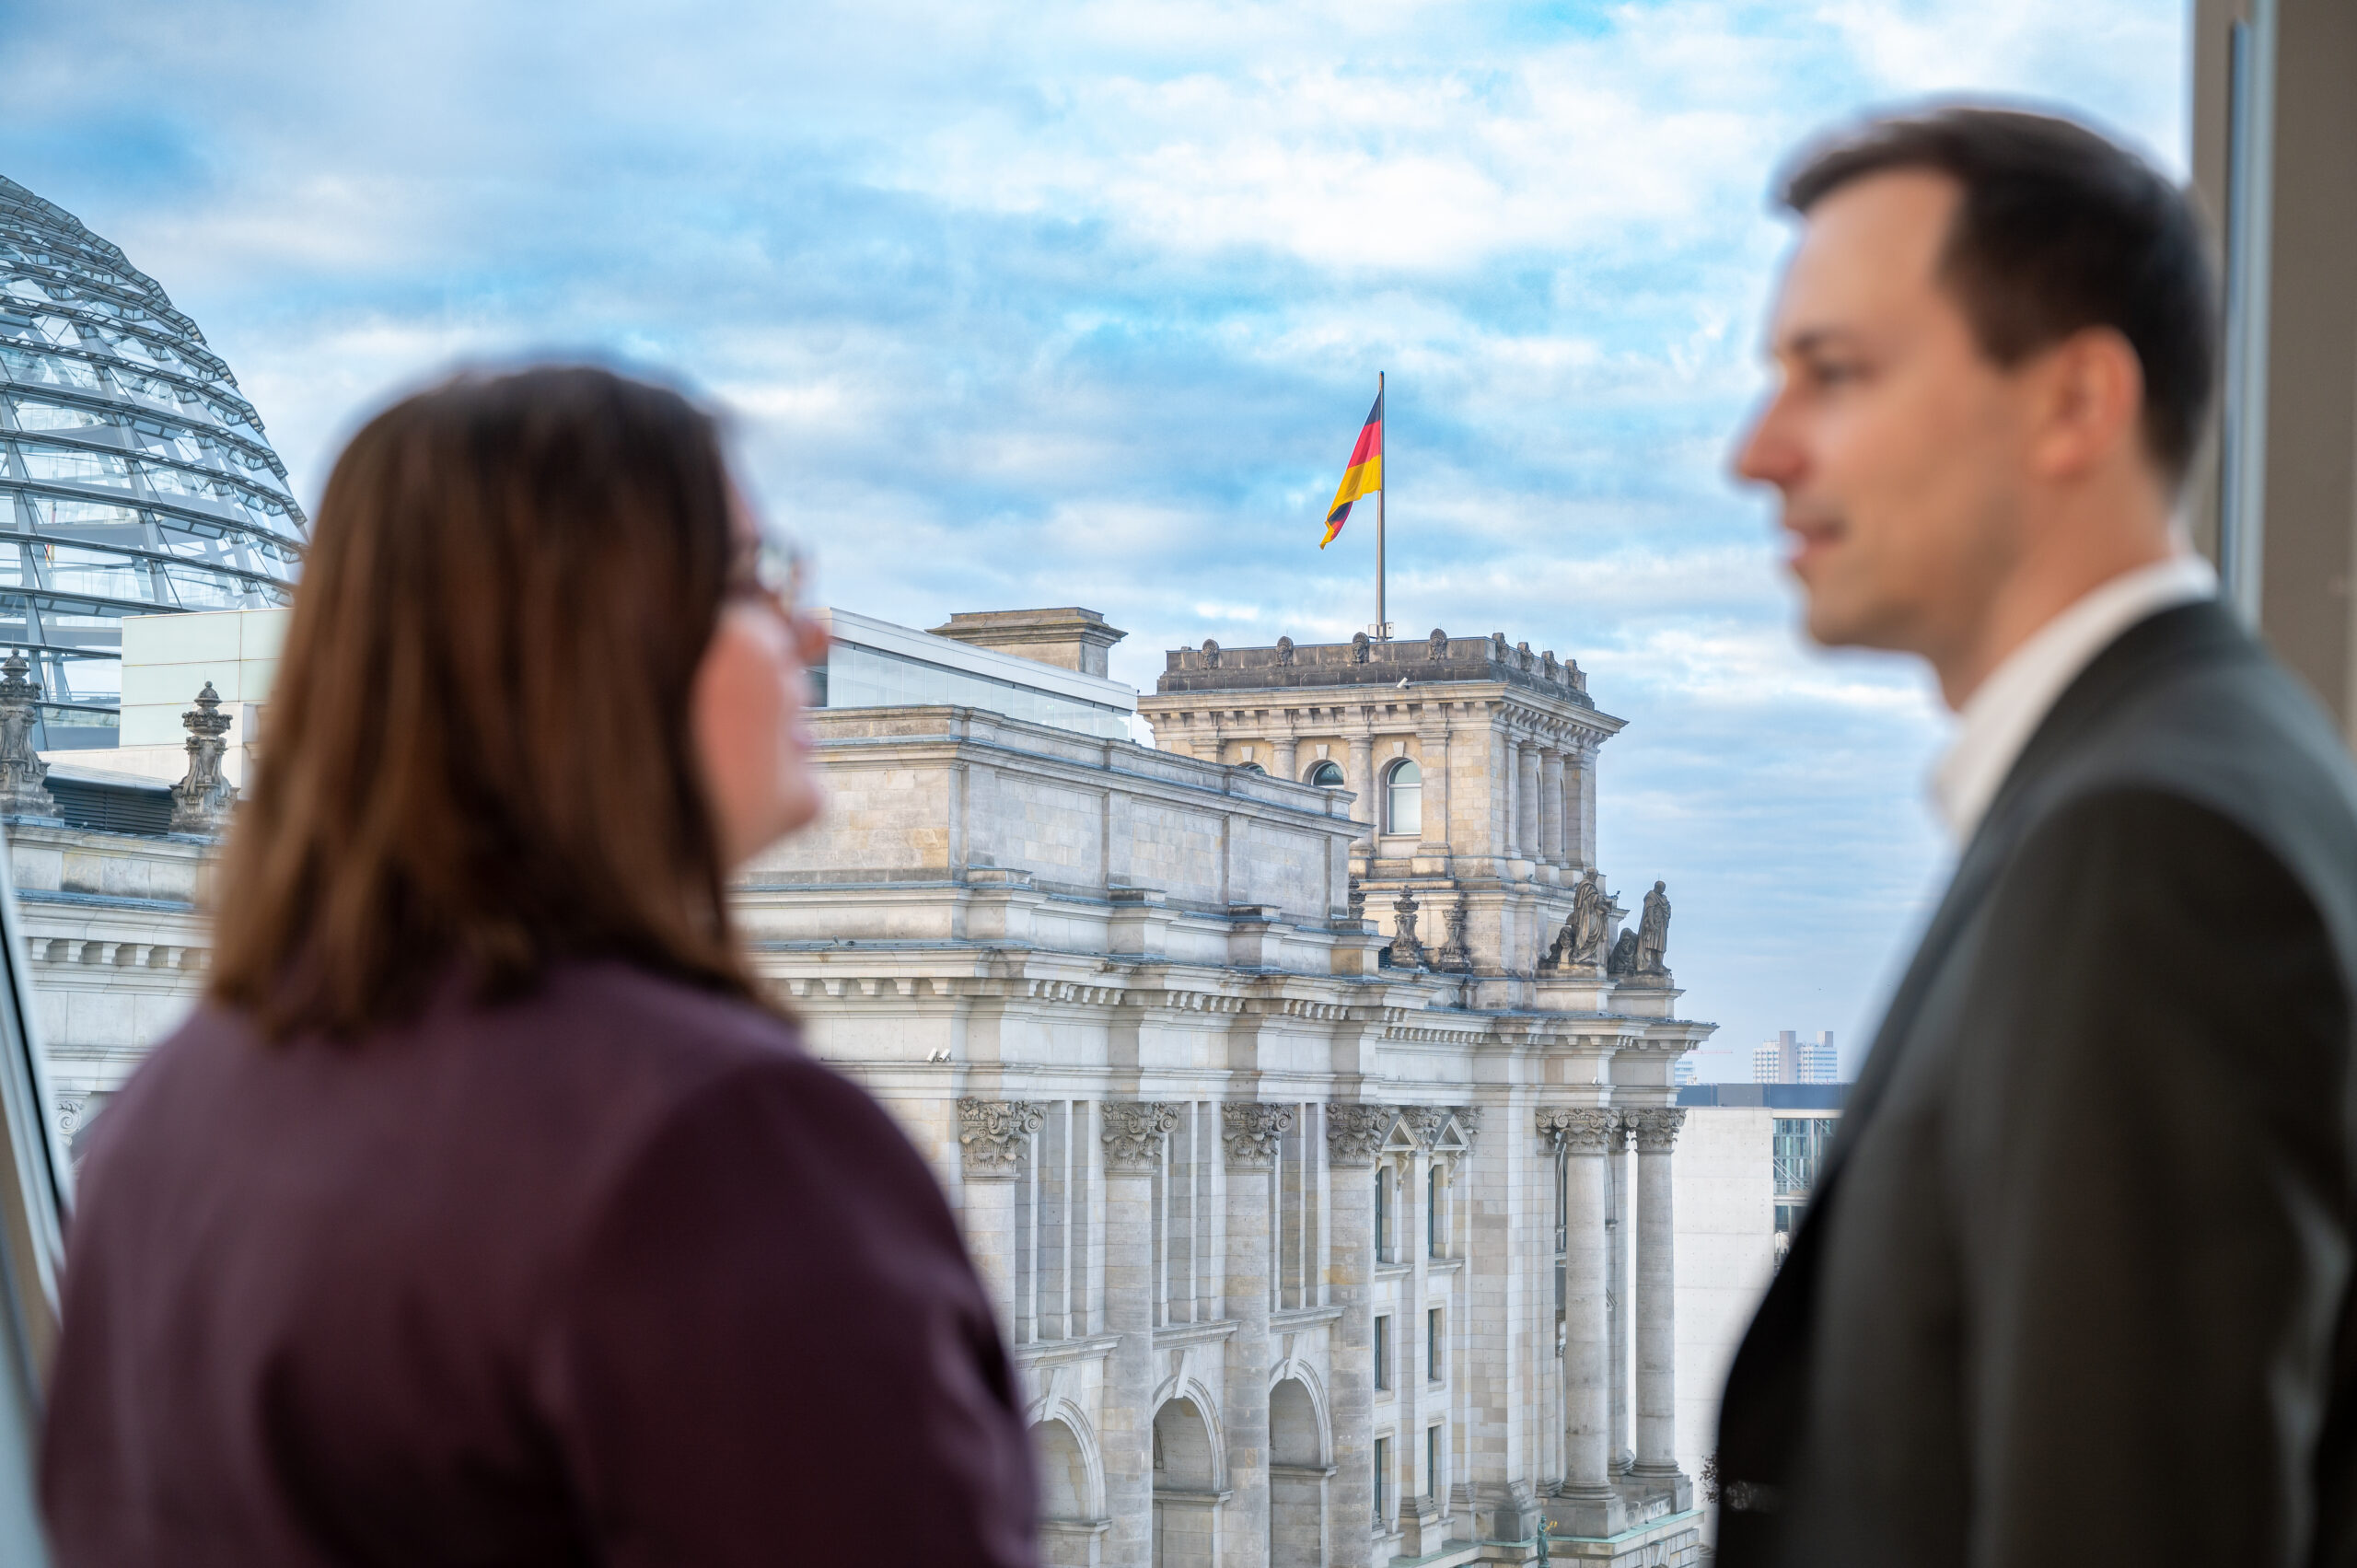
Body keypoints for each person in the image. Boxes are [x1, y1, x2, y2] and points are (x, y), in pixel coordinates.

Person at [39, 366, 1039, 1566]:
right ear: (591, 650)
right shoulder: (709, 1139)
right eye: (753, 581)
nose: (812, 632)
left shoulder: (171, 1113)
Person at [1719, 108, 2357, 1567]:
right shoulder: (2197, 766)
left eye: (1832, 373)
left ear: (2075, 403)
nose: (1759, 452)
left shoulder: (2147, 846)